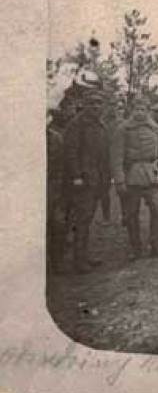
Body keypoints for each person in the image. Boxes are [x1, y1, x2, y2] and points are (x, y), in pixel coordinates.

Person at [110, 96, 158, 260]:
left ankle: (155, 245)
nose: (140, 112)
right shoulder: (123, 129)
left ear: (148, 110)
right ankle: (135, 248)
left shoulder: (156, 128)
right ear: (132, 110)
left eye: (143, 109)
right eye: (137, 109)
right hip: (132, 175)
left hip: (152, 174)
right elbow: (116, 157)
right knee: (132, 213)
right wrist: (120, 179)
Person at [63, 88, 110, 273]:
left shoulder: (99, 124)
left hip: (96, 179)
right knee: (82, 220)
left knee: (87, 218)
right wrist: (76, 176)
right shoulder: (77, 124)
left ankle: (84, 256)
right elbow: (71, 152)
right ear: (85, 104)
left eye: (99, 103)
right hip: (83, 180)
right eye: (92, 103)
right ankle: (78, 261)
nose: (96, 106)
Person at [47, 97, 66, 274]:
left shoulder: (56, 139)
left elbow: (59, 168)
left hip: (52, 188)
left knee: (58, 224)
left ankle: (57, 262)